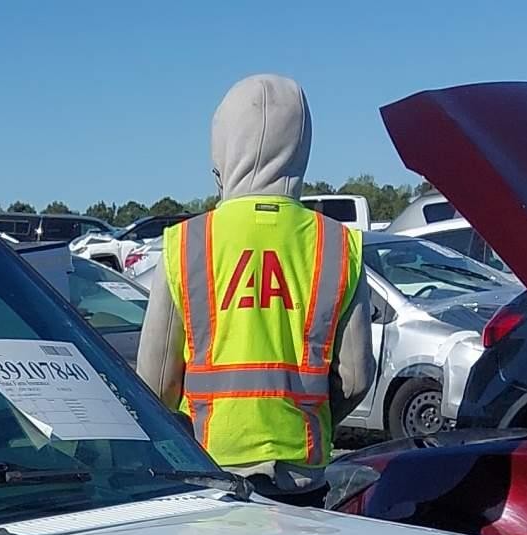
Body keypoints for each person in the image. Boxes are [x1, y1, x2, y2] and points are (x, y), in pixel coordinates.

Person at [136, 75, 371, 483]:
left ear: (222, 147)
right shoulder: (340, 245)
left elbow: (156, 387)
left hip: (211, 469)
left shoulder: (186, 243)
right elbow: (355, 377)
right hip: (303, 474)